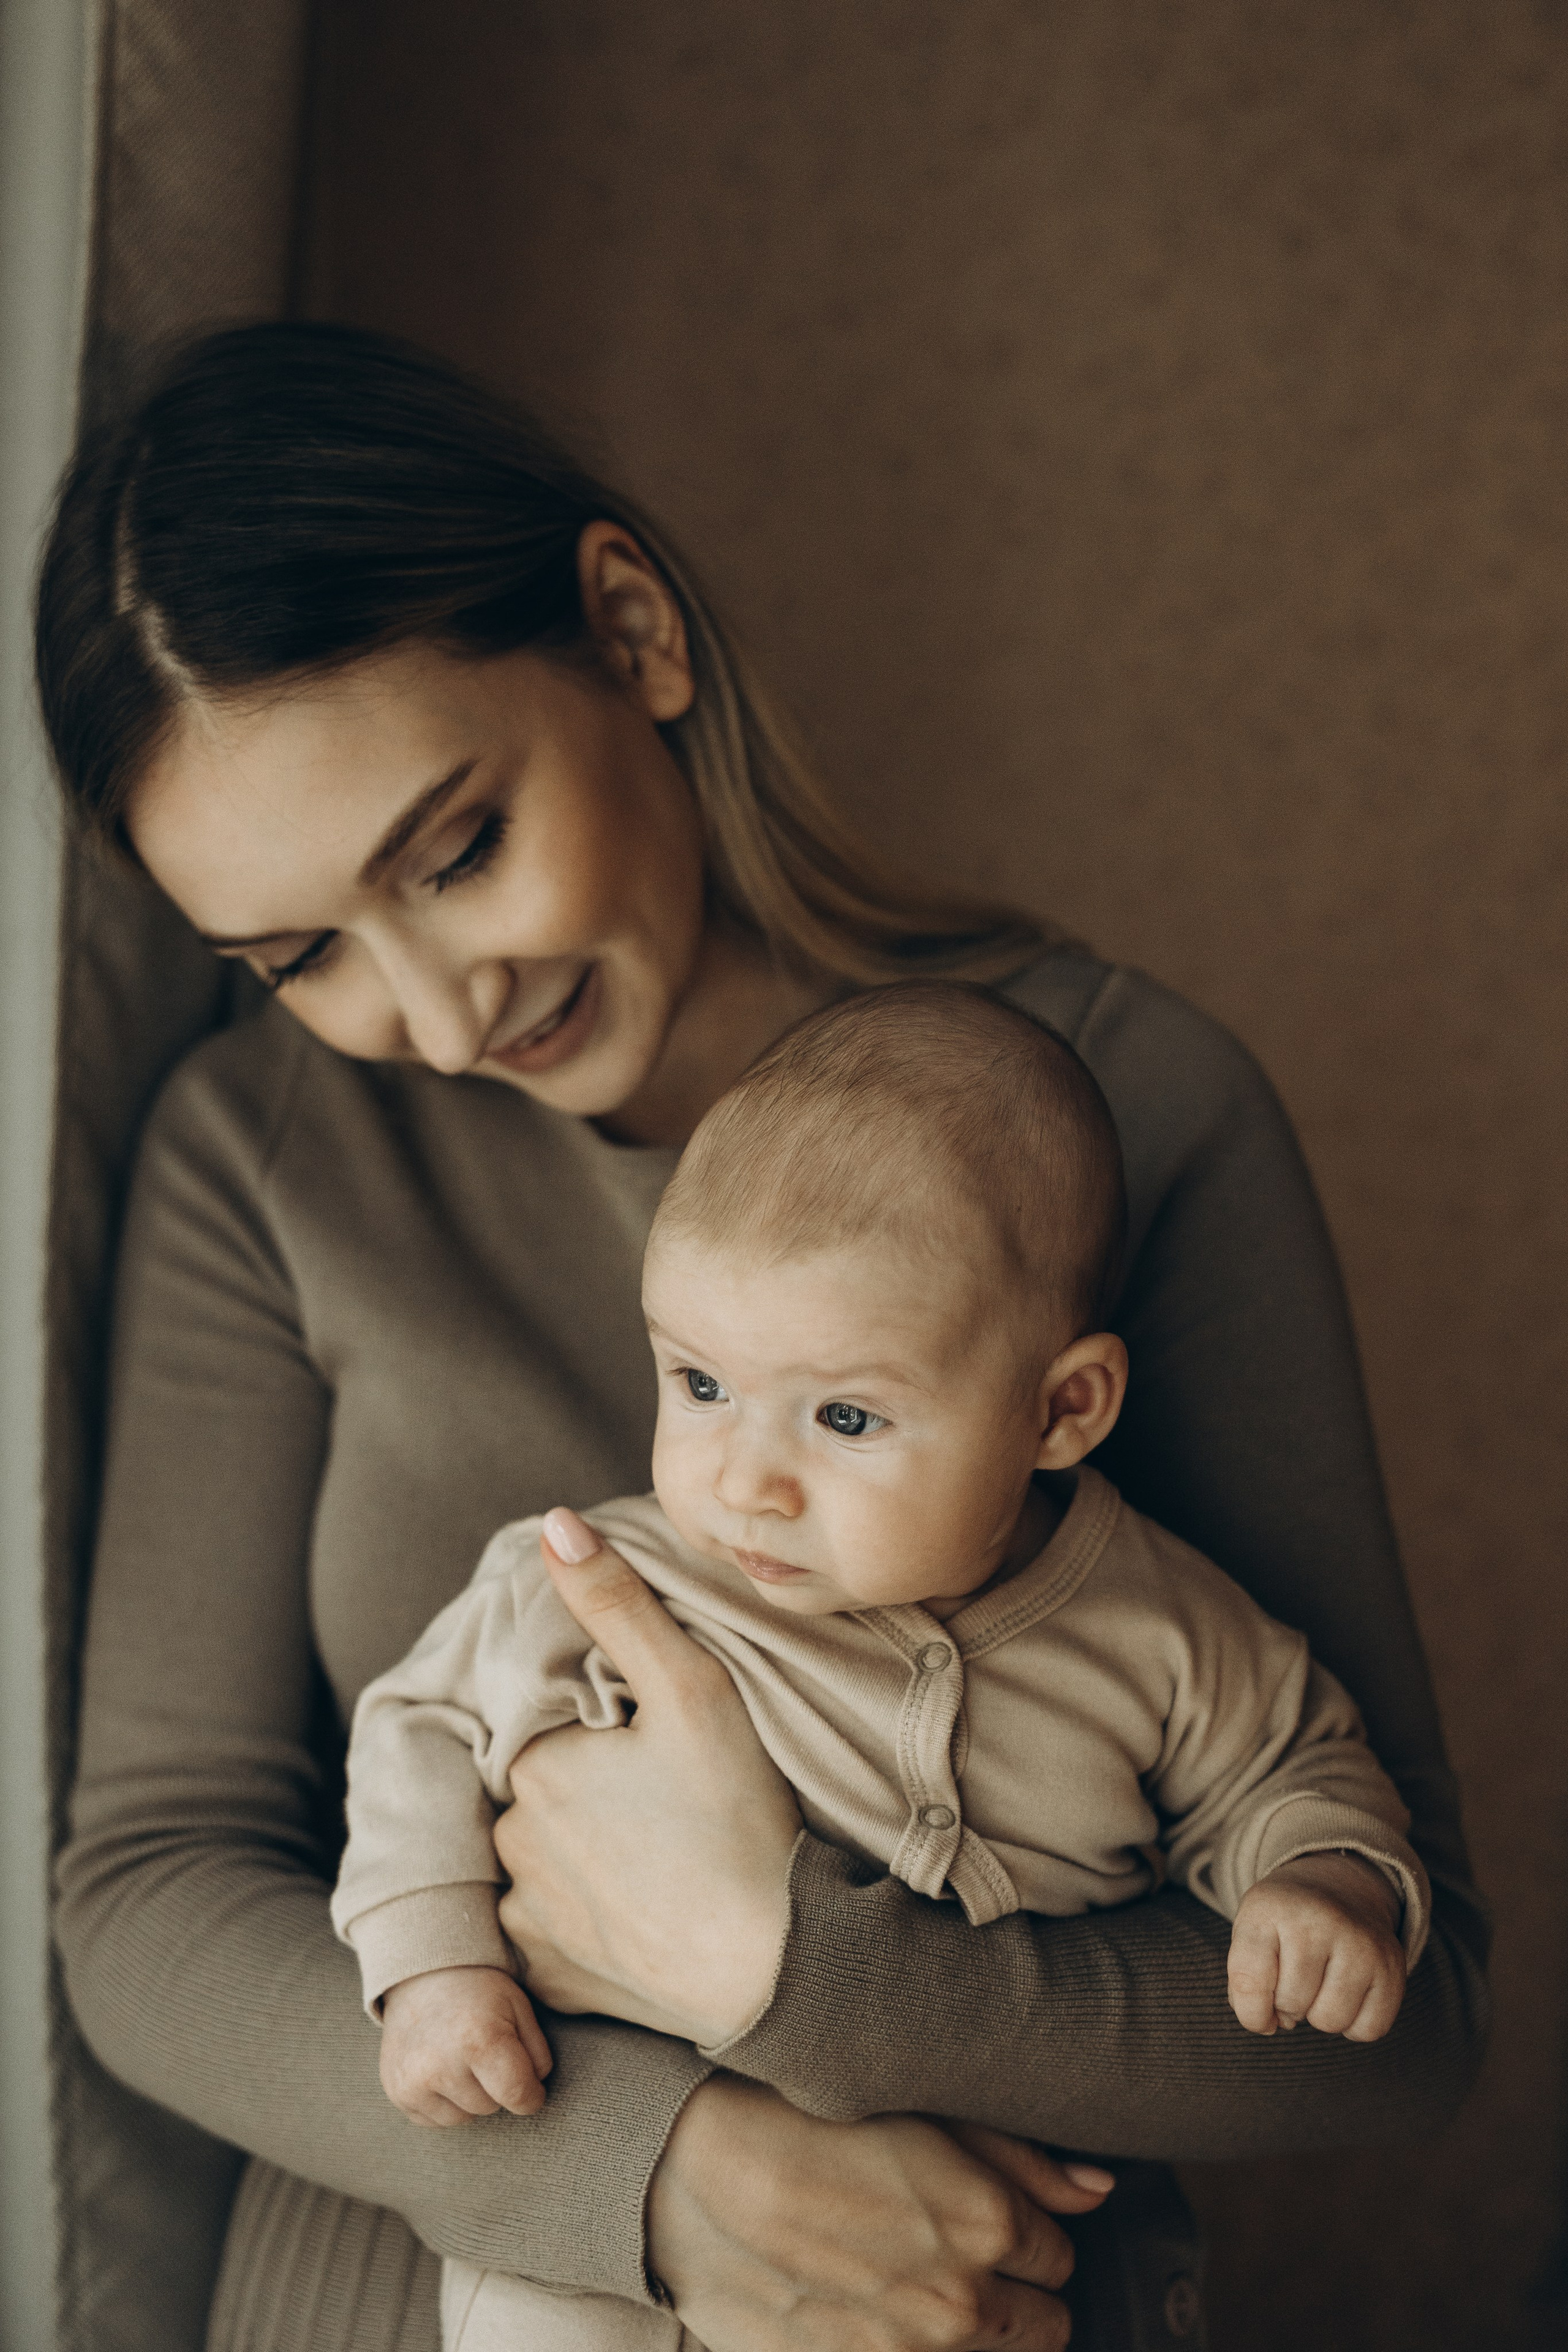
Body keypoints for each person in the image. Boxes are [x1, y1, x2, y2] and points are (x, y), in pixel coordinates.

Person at [36, 322, 1488, 2352]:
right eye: (299, 959)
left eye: (455, 852)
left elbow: (1408, 2019)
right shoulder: (262, 1166)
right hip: (396, 2297)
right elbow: (150, 1900)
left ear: (629, 629)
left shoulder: (1130, 1113)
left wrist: (809, 1978)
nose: (441, 1022)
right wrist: (655, 2179)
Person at [331, 982, 1430, 2352]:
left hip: (990, 2265)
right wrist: (432, 1966)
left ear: (1061, 1409)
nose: (742, 1480)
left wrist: (1316, 1880)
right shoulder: (605, 1578)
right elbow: (421, 1728)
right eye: (698, 1384)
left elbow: (1295, 1762)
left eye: (845, 1415)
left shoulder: (1161, 1632)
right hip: (610, 2234)